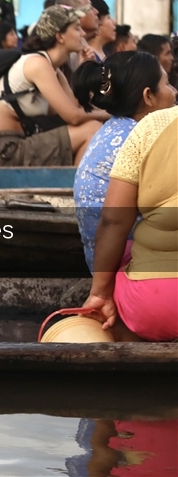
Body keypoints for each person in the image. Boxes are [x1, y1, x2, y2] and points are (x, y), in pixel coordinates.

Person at [72, 52, 176, 272]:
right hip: (127, 261)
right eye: (167, 84)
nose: (174, 92)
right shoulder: (143, 137)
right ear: (148, 97)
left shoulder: (112, 127)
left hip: (102, 259)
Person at [82, 105, 178, 342]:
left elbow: (114, 220)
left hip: (159, 304)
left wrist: (100, 293)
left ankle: (131, 348)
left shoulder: (152, 126)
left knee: (122, 257)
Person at [0, 6, 109, 167]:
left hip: (19, 145)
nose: (83, 34)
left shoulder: (53, 69)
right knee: (92, 129)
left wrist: (84, 67)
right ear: (60, 37)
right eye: (77, 28)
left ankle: (75, 183)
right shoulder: (38, 64)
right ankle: (77, 187)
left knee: (91, 126)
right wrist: (112, 113)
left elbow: (75, 107)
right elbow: (73, 116)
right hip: (4, 151)